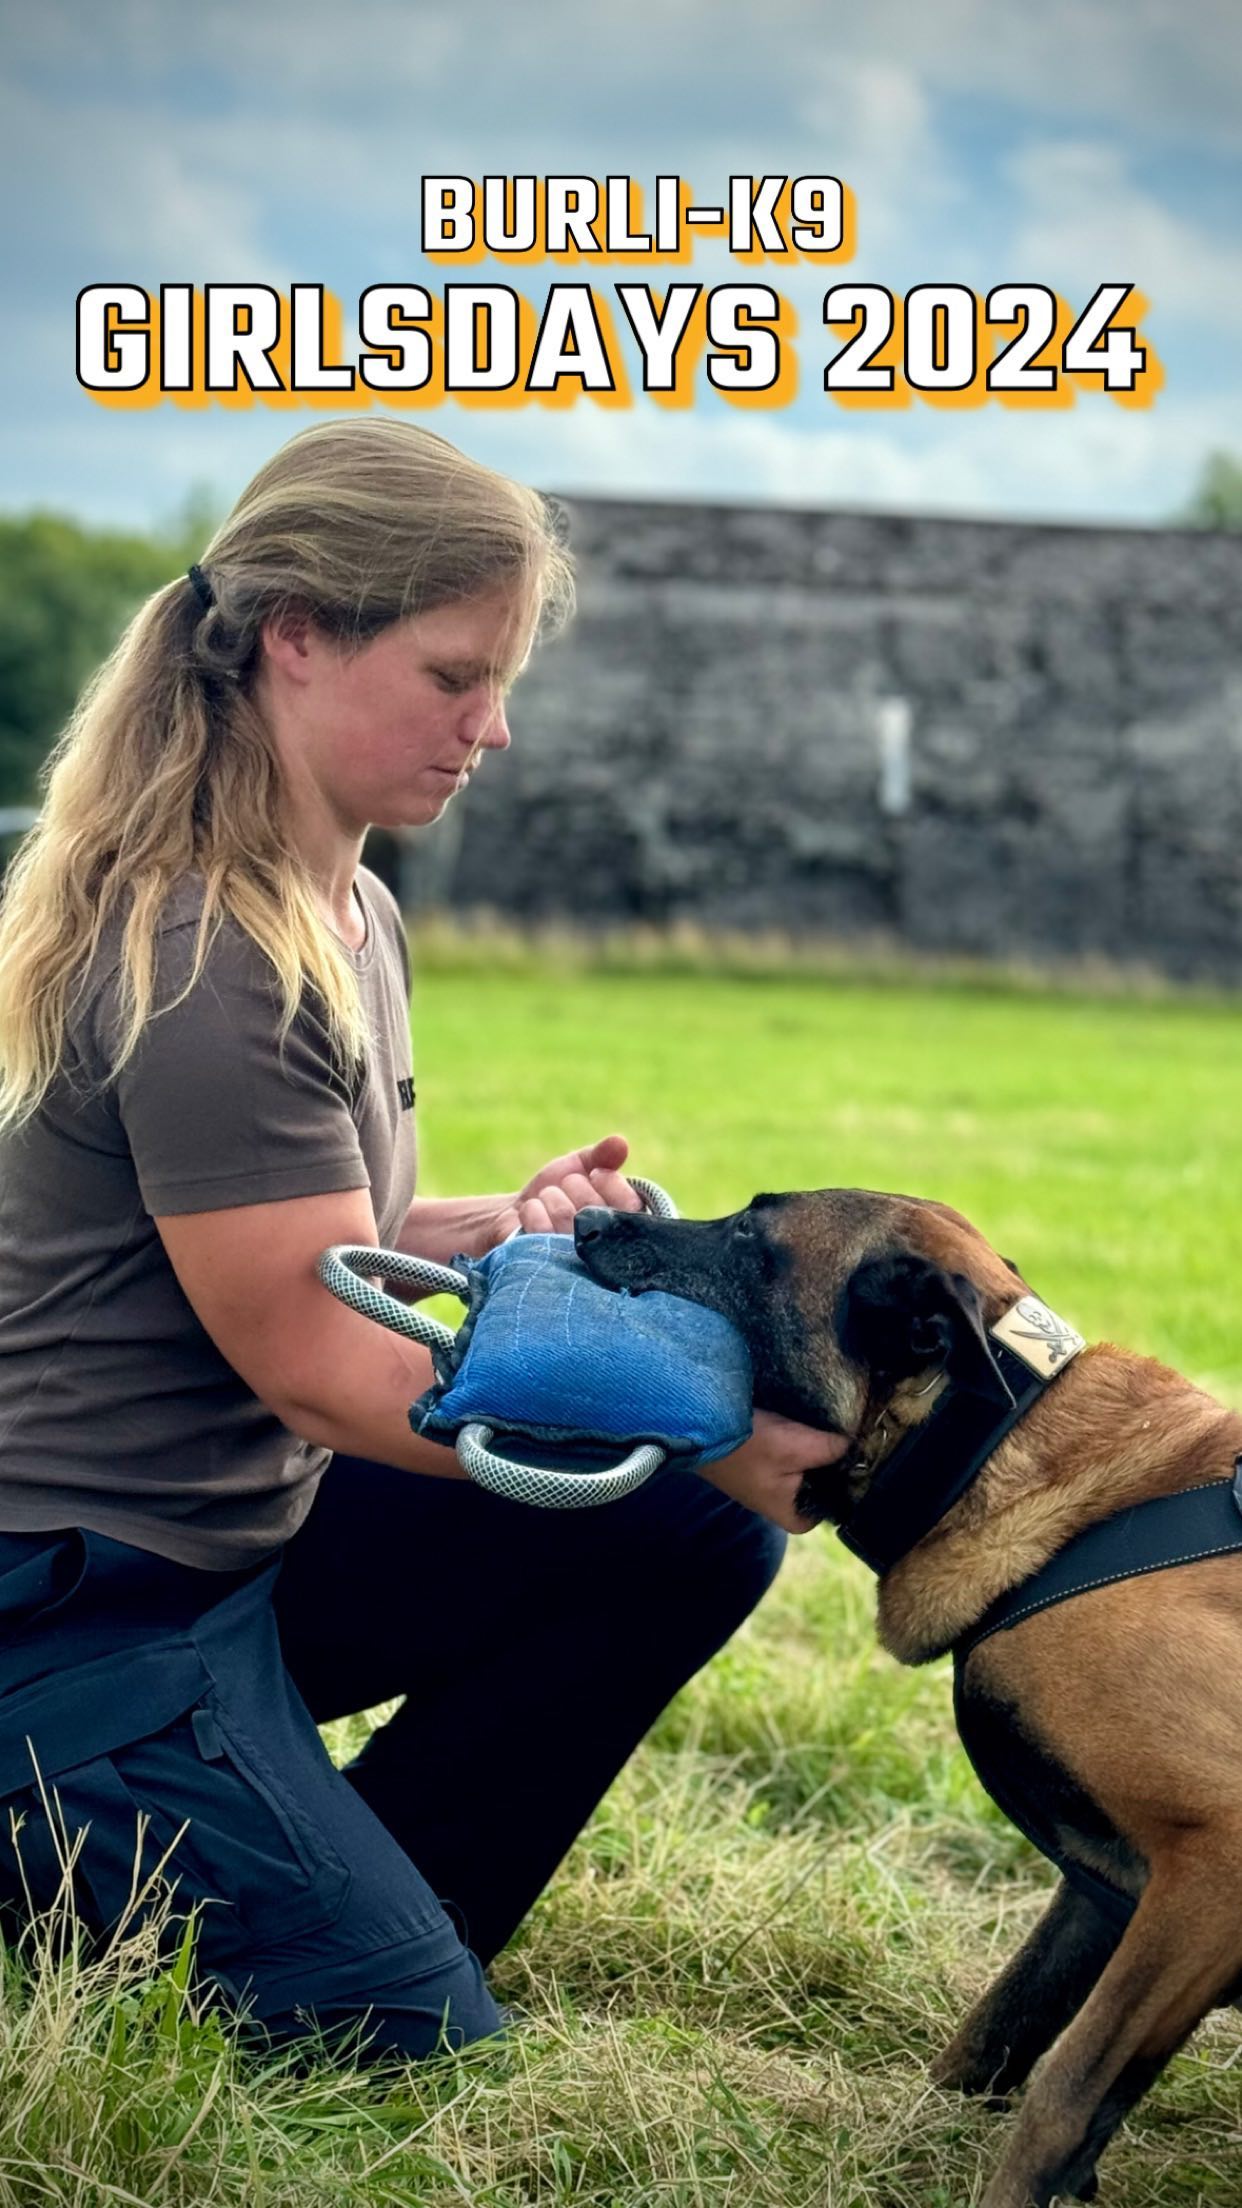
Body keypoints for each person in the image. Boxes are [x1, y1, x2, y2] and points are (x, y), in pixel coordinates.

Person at [0, 417, 842, 2064]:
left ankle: (355, 1901)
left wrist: (494, 1235)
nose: (494, 729)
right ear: (297, 638)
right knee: (394, 2043)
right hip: (75, 1604)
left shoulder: (347, 902)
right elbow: (325, 1368)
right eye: (455, 673)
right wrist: (712, 1417)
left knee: (677, 1534)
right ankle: (260, 1913)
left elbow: (329, 1242)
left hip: (237, 1549)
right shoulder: (208, 948)